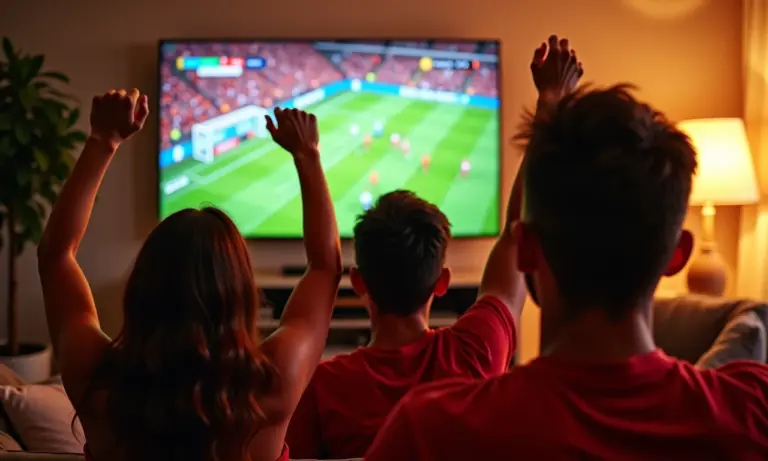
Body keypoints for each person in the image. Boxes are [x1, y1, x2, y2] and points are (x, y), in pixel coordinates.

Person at [365, 35, 768, 461]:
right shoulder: (752, 411)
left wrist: (552, 100)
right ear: (676, 255)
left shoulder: (429, 430)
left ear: (526, 250)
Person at [37, 93, 342, 461]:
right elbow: (326, 267)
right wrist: (307, 155)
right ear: (240, 291)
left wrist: (103, 141)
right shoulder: (273, 381)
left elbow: (55, 257)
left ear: (141, 287)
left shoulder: (97, 378)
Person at [286, 183, 525, 458]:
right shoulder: (477, 350)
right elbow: (514, 235)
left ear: (357, 282)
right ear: (442, 282)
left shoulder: (320, 387)